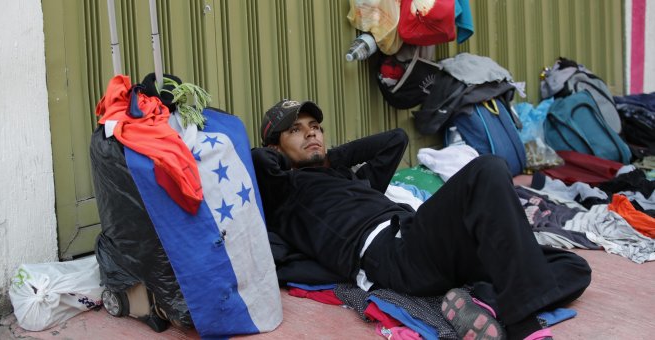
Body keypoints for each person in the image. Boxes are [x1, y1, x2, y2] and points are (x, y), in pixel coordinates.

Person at [252, 99, 591, 340]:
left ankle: (482, 301)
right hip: (391, 253)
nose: (311, 134)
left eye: (315, 128)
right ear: (276, 148)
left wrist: (330, 157)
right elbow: (257, 160)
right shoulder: (285, 190)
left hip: (421, 241)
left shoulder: (349, 178)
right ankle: (521, 324)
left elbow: (394, 141)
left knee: (572, 267)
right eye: (295, 131)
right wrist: (282, 157)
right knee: (487, 170)